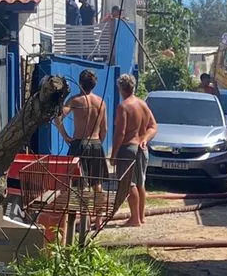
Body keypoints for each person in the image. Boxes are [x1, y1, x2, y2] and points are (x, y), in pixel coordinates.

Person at [111, 74, 157, 227]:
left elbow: (120, 133)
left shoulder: (123, 107)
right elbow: (153, 126)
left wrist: (114, 154)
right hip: (142, 149)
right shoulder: (143, 104)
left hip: (128, 148)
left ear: (120, 88)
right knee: (140, 183)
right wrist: (145, 139)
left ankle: (135, 218)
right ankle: (141, 216)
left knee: (129, 184)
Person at [56, 69, 108, 185]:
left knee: (78, 182)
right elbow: (104, 129)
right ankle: (98, 197)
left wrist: (65, 136)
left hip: (79, 144)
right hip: (96, 143)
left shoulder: (75, 100)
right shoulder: (101, 102)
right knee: (97, 183)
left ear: (80, 83)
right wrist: (99, 143)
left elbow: (57, 117)